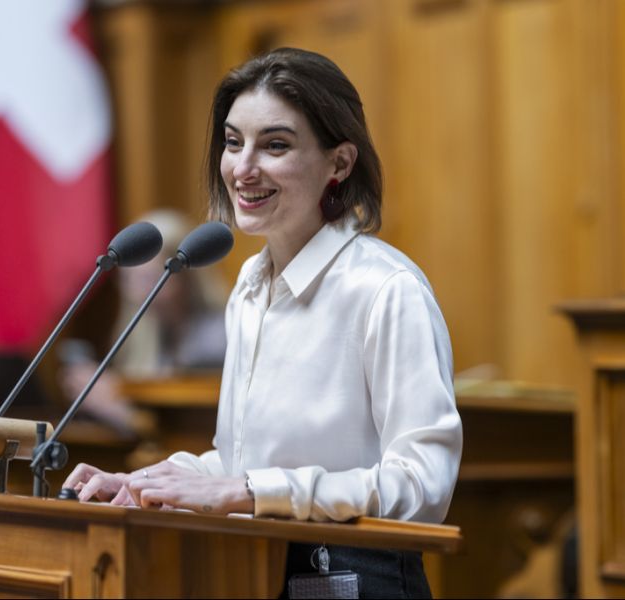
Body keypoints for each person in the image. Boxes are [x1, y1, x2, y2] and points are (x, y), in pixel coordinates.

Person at [63, 47, 462, 598]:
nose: (243, 168)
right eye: (232, 142)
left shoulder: (386, 289)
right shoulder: (249, 287)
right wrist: (146, 482)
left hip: (353, 578)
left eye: (275, 145)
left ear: (339, 163)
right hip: (253, 569)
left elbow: (423, 485)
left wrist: (251, 492)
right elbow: (240, 467)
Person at [58, 209, 228, 436]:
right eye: (129, 280)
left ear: (187, 277)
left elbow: (178, 431)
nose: (136, 293)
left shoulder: (218, 338)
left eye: (148, 278)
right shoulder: (147, 335)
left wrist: (113, 406)